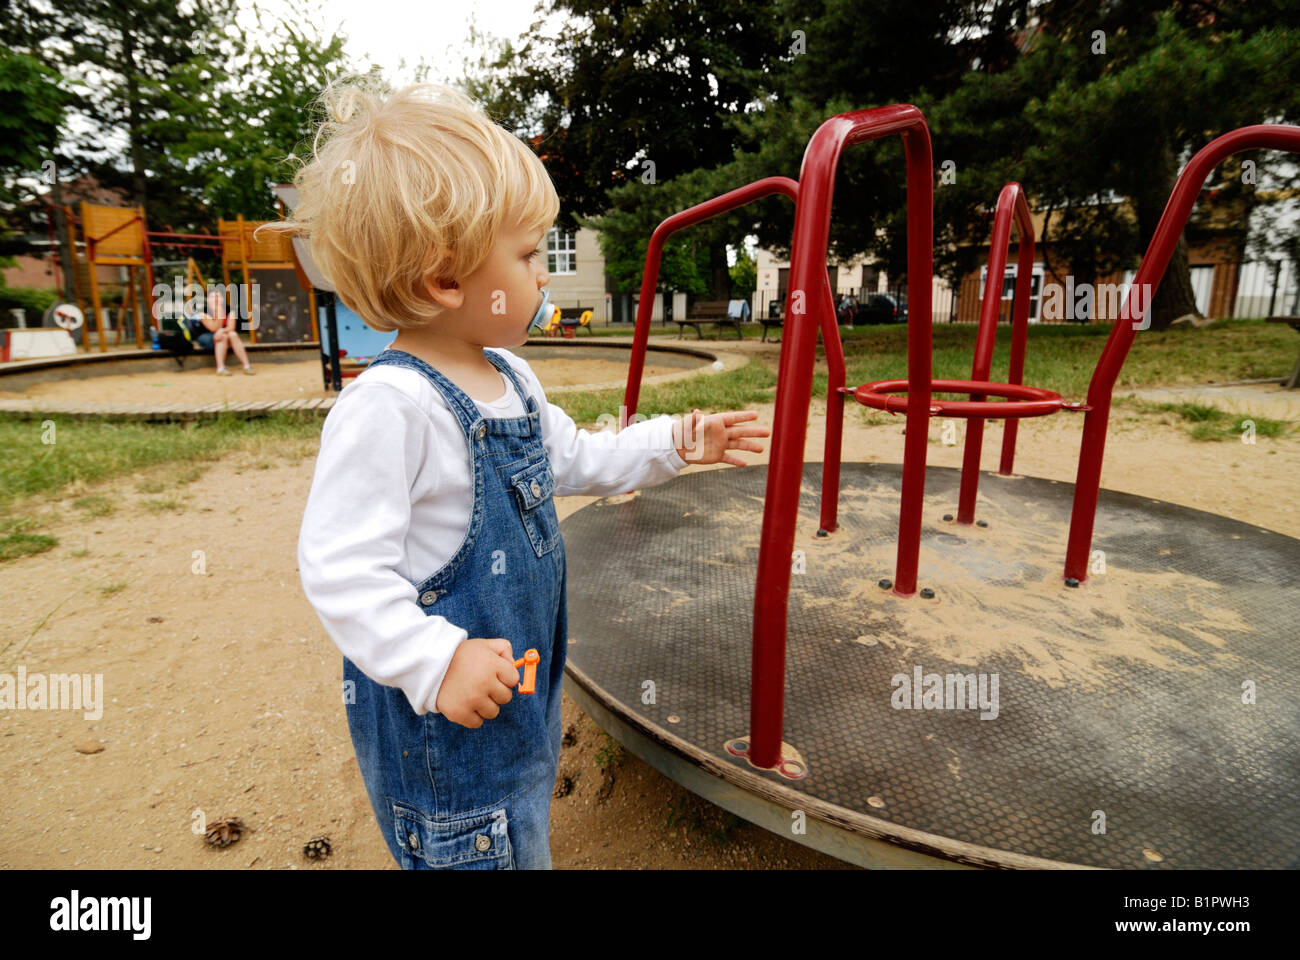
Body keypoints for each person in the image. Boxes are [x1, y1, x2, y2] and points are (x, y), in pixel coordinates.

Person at [282, 80, 769, 870]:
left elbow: (576, 460)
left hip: (515, 711)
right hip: (447, 740)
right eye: (530, 255)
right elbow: (339, 568)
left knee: (518, 826)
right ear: (446, 281)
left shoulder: (509, 375)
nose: (544, 275)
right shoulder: (391, 408)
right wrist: (431, 661)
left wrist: (678, 442)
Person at [192, 289, 254, 375]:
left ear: (222, 299)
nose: (216, 299)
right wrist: (218, 312)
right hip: (206, 337)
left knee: (233, 334)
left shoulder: (229, 309)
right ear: (208, 299)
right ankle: (220, 368)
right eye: (213, 297)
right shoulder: (203, 312)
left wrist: (222, 330)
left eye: (218, 296)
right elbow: (213, 328)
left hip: (223, 334)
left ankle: (247, 366)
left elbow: (231, 327)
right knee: (223, 336)